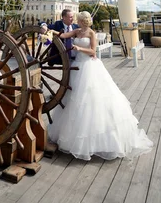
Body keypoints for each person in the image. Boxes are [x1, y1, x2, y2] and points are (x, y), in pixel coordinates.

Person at [48, 11, 153, 161]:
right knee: (74, 97)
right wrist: (51, 32)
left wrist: (79, 49)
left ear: (83, 21)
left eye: (78, 19)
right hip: (77, 66)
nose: (76, 21)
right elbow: (63, 36)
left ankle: (93, 140)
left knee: (91, 98)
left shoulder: (91, 33)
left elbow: (93, 51)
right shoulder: (76, 31)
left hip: (88, 66)